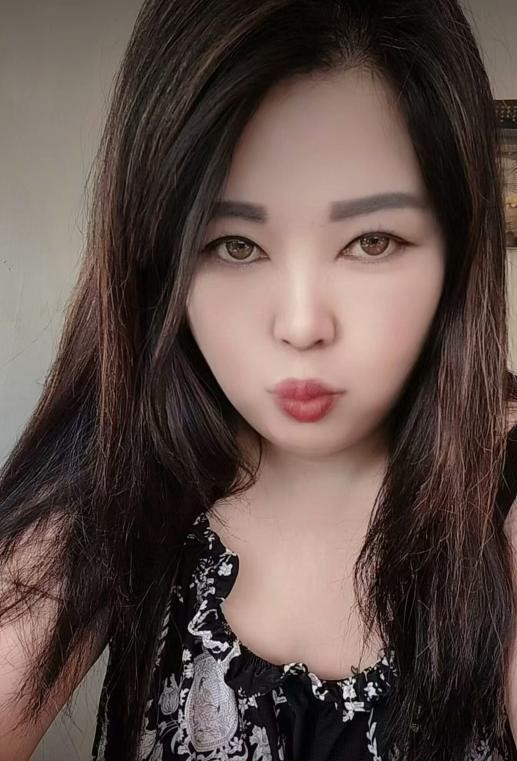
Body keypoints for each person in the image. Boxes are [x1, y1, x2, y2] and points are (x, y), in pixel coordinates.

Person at [0, 0, 516, 759]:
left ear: (456, 248)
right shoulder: (122, 476)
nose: (301, 325)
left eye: (372, 241)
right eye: (234, 244)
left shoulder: (502, 490)